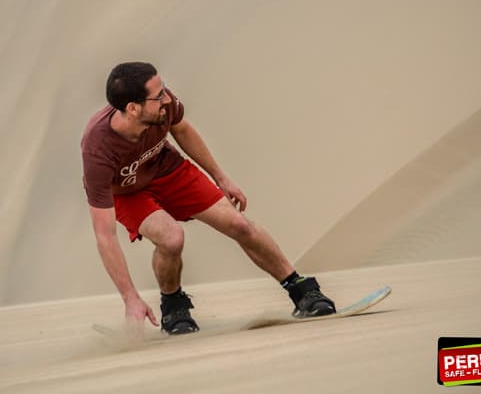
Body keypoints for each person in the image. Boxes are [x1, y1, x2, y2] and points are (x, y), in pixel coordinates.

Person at [81, 62, 335, 335]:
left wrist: (220, 177)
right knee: (171, 238)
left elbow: (183, 130)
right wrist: (130, 298)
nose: (167, 98)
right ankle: (173, 306)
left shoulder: (162, 106)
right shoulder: (98, 150)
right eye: (158, 95)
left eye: (164, 88)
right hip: (128, 194)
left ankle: (300, 289)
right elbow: (104, 235)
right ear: (133, 108)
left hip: (168, 170)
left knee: (239, 225)